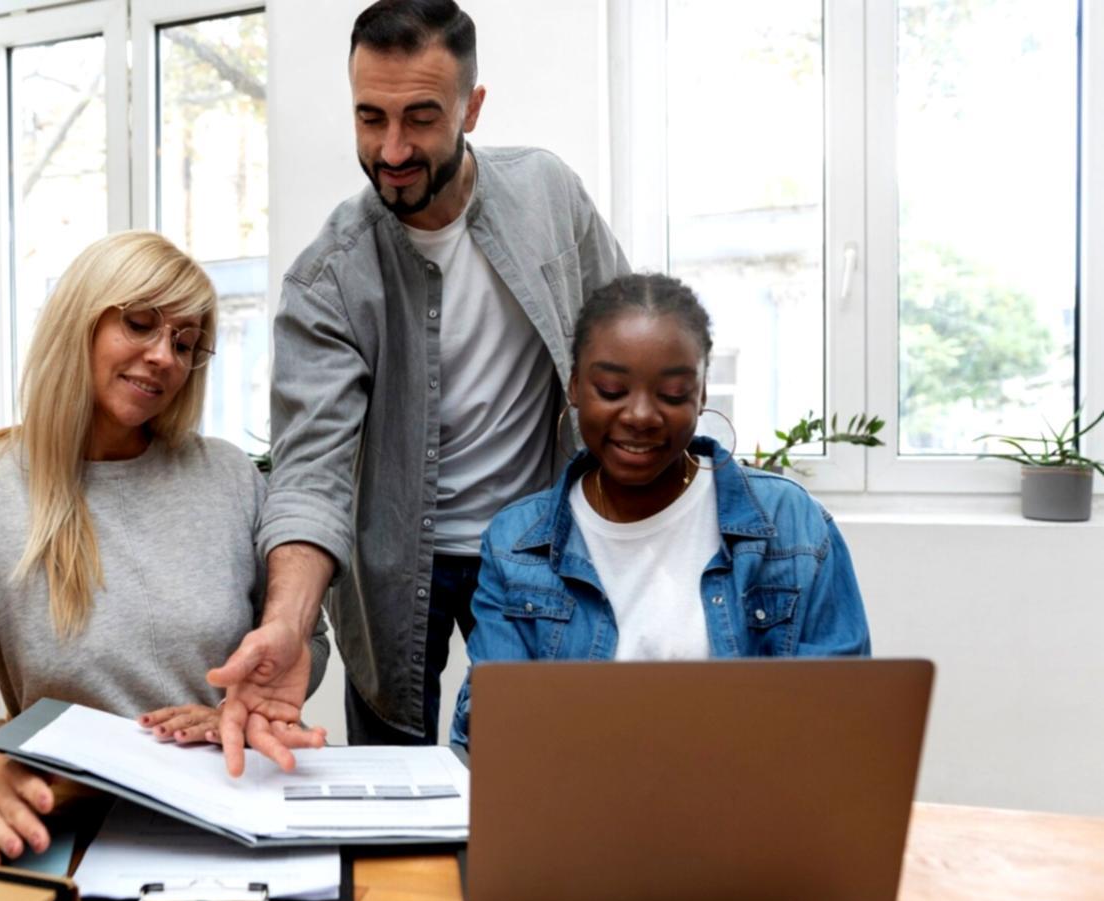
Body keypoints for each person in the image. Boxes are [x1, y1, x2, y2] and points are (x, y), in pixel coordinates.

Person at [208, 0, 628, 771]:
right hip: (393, 569)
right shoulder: (330, 275)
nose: (391, 149)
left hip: (533, 541)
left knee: (541, 768)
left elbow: (623, 334)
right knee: (391, 794)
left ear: (472, 107)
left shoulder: (546, 194)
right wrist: (287, 621)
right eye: (370, 118)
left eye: (420, 118)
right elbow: (310, 474)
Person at [0, 231, 329, 864]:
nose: (164, 356)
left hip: (230, 812)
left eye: (184, 343)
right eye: (140, 325)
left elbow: (303, 642)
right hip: (71, 829)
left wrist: (236, 713)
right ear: (78, 320)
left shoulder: (230, 477)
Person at [448, 273, 872, 748]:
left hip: (752, 811)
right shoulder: (516, 544)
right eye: (611, 389)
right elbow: (495, 738)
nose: (641, 416)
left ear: (702, 394)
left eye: (672, 395)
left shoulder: (789, 525)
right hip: (579, 814)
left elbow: (840, 721)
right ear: (573, 386)